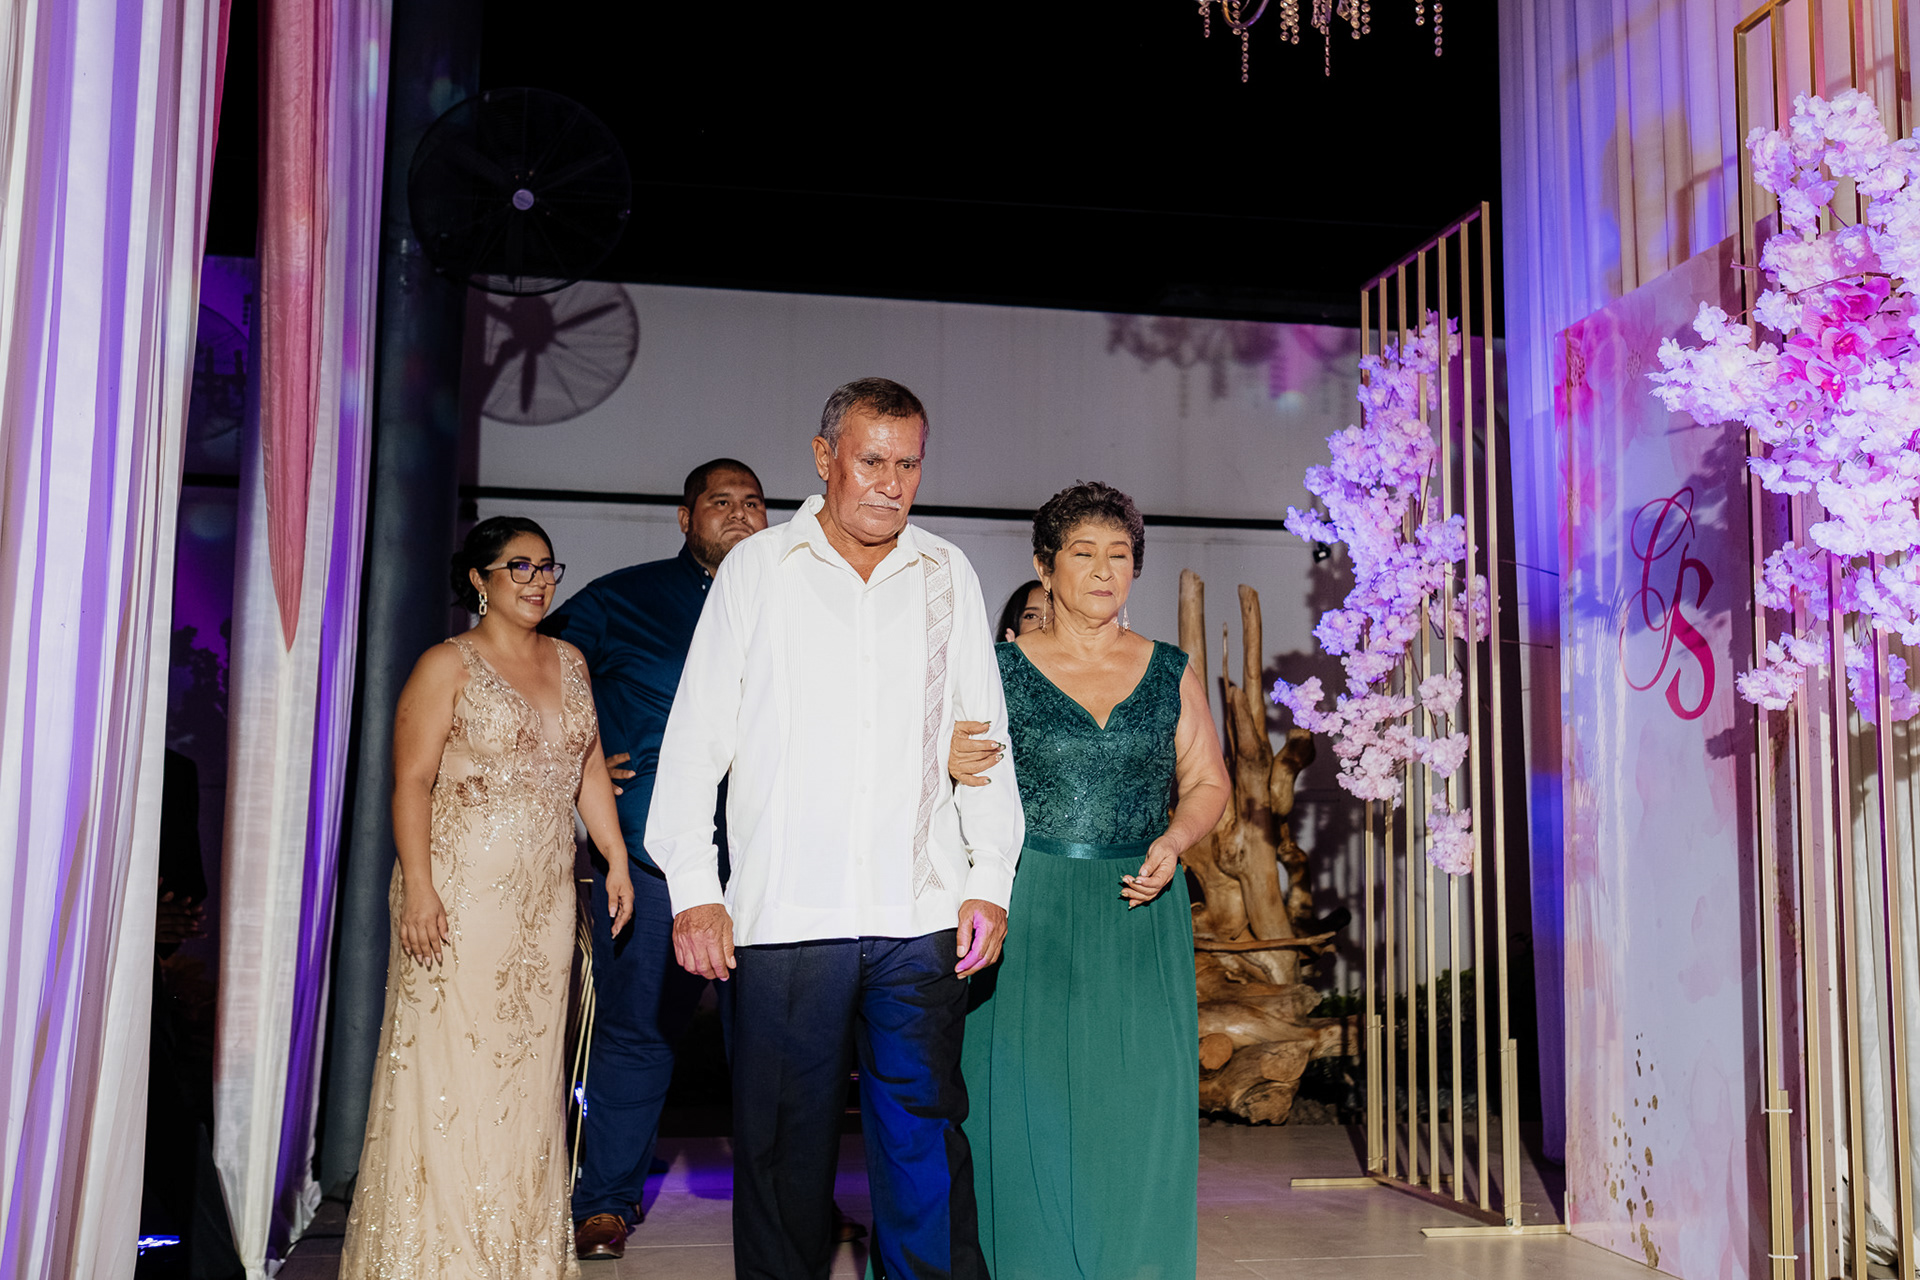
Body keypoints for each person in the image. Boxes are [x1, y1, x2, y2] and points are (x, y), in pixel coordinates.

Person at [646, 377, 1025, 1280]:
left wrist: (988, 881)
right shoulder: (758, 570)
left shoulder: (946, 572)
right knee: (781, 1152)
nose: (891, 484)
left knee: (924, 1142)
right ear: (824, 459)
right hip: (787, 917)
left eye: (909, 464)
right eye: (871, 461)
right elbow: (695, 742)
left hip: (919, 913)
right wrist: (696, 891)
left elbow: (984, 742)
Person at [340, 517, 635, 1280]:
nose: (538, 581)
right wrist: (420, 890)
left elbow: (587, 767)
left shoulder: (570, 661)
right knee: (455, 1070)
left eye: (547, 567)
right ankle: (441, 1259)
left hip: (546, 900)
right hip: (459, 894)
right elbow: (410, 782)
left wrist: (614, 857)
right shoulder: (447, 664)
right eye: (519, 567)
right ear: (479, 579)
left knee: (530, 1080)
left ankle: (518, 1254)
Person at [959, 481, 1231, 1280]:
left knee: (1136, 1101)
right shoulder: (997, 669)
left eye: (1120, 554)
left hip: (1139, 906)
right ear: (1044, 566)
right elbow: (946, 772)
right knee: (1021, 1102)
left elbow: (1208, 781)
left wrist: (1174, 840)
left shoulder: (1168, 669)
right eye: (1083, 553)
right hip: (1029, 902)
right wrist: (943, 757)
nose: (1105, 569)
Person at [539, 459, 769, 1261]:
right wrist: (582, 757)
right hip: (651, 864)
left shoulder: (790, 600)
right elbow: (529, 666)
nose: (738, 514)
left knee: (779, 1047)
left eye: (752, 503)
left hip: (768, 865)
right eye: (720, 502)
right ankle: (603, 1202)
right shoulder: (624, 599)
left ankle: (792, 1206)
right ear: (685, 518)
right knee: (636, 1033)